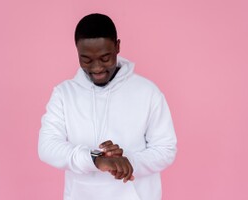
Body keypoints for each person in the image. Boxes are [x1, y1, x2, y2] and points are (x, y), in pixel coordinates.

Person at [38, 13, 177, 200]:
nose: (96, 68)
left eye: (105, 58)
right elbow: (47, 147)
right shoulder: (64, 94)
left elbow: (165, 148)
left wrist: (127, 162)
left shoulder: (147, 92)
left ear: (117, 46)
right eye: (86, 59)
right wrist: (95, 159)